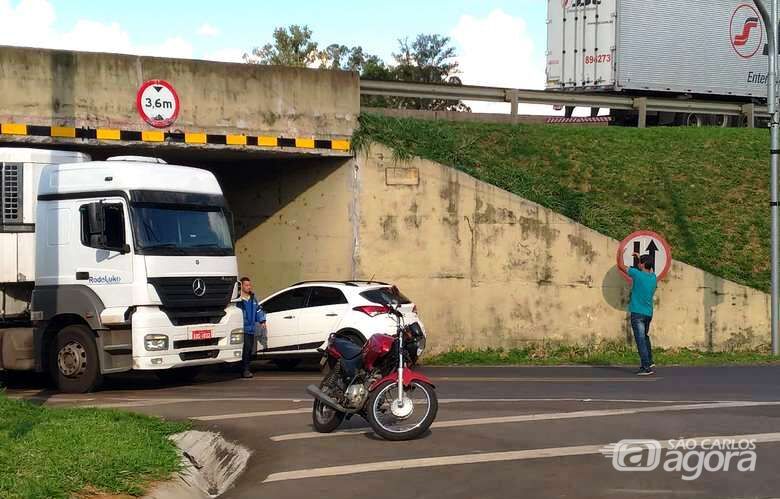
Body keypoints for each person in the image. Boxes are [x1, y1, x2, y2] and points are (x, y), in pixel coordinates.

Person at [618, 252, 658, 376]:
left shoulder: (637, 274)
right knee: (645, 337)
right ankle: (649, 361)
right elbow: (648, 268)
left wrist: (621, 253)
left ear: (643, 265)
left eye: (640, 262)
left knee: (640, 340)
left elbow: (620, 265)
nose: (638, 264)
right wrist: (639, 257)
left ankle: (646, 367)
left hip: (637, 313)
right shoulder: (653, 277)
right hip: (648, 313)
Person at [235, 277, 266, 378]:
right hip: (241, 328)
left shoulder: (252, 298)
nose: (249, 287)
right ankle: (245, 370)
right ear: (242, 286)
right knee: (244, 349)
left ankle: (245, 369)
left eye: (249, 285)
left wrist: (262, 320)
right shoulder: (238, 300)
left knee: (249, 350)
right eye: (247, 285)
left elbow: (258, 310)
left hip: (251, 329)